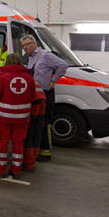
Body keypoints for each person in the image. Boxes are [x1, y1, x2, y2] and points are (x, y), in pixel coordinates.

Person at [22, 34, 68, 162]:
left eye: (26, 45)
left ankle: (46, 151)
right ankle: (38, 150)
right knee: (37, 123)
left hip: (45, 94)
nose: (24, 48)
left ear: (33, 44)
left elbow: (63, 65)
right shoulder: (30, 58)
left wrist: (53, 81)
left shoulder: (45, 55)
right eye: (23, 46)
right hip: (35, 95)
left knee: (44, 123)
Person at [0, 54, 36, 179]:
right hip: (22, 118)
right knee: (18, 143)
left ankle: (1, 170)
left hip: (4, 117)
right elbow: (33, 96)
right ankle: (16, 170)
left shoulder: (2, 77)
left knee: (3, 143)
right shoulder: (29, 78)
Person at [24, 80, 46, 172]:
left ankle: (28, 164)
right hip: (42, 101)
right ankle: (32, 162)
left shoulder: (5, 76)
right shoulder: (27, 76)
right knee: (36, 133)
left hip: (33, 102)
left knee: (28, 134)